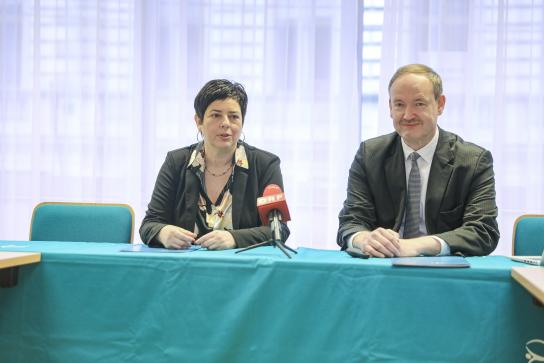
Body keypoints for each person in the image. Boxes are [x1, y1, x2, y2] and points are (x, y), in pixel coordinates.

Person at [337, 64, 499, 257]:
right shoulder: (370, 155)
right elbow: (351, 221)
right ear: (389, 108)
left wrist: (418, 245)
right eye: (399, 104)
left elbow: (483, 231)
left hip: (444, 274)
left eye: (419, 103)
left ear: (440, 104)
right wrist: (364, 239)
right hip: (382, 268)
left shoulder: (473, 161)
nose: (407, 115)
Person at [140, 79, 289, 250]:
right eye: (216, 115)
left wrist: (234, 238)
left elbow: (279, 230)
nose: (225, 123)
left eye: (233, 116)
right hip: (185, 270)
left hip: (243, 271)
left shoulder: (265, 165)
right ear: (199, 121)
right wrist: (163, 233)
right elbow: (150, 224)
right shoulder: (177, 162)